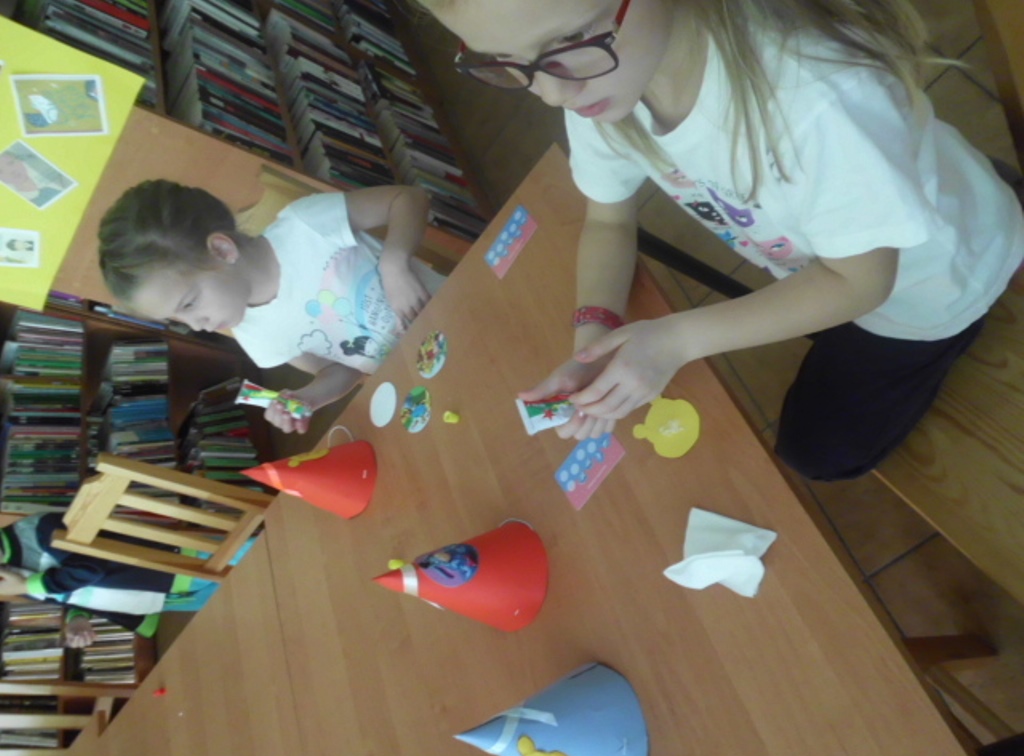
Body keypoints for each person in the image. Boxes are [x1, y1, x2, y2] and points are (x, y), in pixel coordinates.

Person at [414, 0, 1024, 480]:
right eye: (504, 61)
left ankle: (998, 237)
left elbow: (862, 283)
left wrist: (676, 339)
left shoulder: (814, 100)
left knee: (817, 453)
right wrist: (592, 338)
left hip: (930, 286)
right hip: (850, 253)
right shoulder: (604, 78)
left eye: (570, 40)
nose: (552, 94)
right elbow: (607, 221)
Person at [99, 181, 443, 434]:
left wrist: (394, 264)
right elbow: (343, 371)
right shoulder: (256, 336)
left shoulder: (306, 226)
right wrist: (308, 398)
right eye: (177, 318)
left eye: (189, 303)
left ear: (221, 251)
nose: (197, 324)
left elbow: (408, 198)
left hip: (456, 310)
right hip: (425, 373)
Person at [0, 512, 244, 647]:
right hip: (164, 598)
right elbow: (73, 594)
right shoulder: (10, 578)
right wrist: (78, 617)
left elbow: (88, 569)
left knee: (261, 557)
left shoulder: (37, 530)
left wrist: (26, 585)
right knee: (250, 600)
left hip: (176, 564)